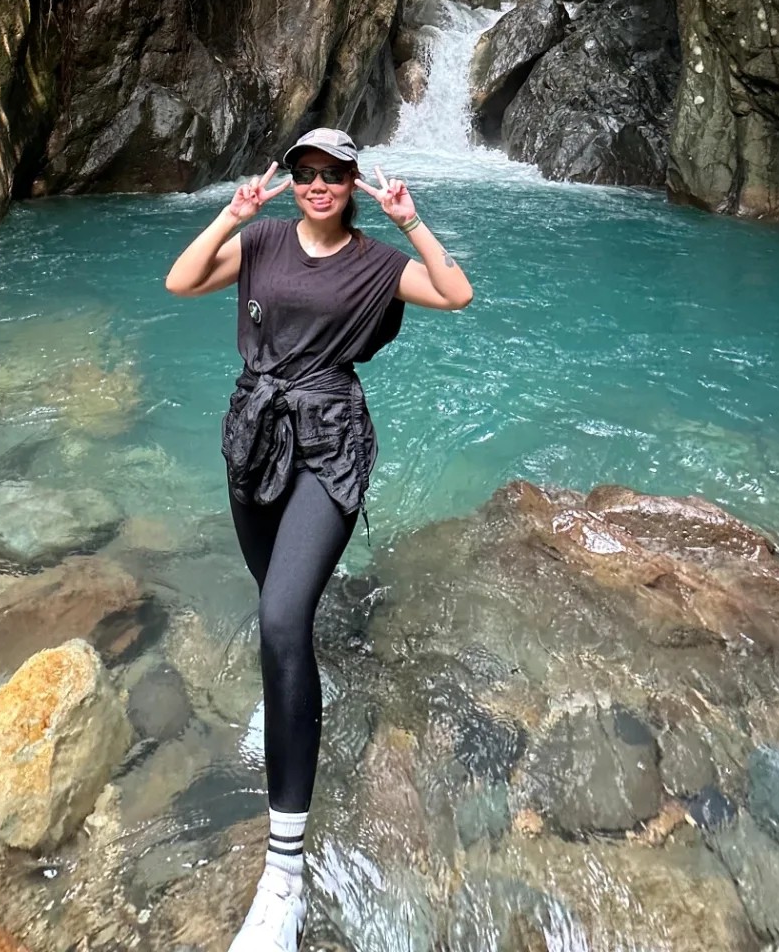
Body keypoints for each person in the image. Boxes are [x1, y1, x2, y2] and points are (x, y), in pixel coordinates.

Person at [164, 126, 473, 951]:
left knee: (279, 617)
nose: (317, 184)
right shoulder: (263, 242)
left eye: (333, 173)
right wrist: (232, 216)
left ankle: (284, 875)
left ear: (352, 181)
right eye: (305, 171)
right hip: (254, 437)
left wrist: (410, 220)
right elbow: (181, 279)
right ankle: (298, 690)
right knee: (279, 607)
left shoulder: (376, 263)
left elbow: (455, 293)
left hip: (329, 445)